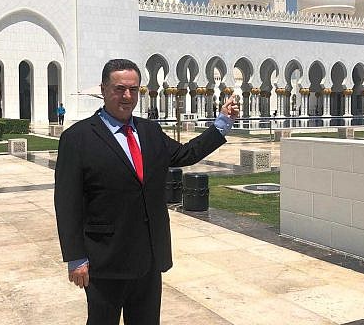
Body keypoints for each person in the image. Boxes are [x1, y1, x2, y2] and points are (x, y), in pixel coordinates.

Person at [54, 59, 239, 325]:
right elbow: (67, 202)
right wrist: (75, 257)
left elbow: (185, 154)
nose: (127, 96)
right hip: (105, 258)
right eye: (119, 89)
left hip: (149, 257)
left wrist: (222, 122)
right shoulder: (78, 138)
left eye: (133, 89)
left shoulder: (149, 131)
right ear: (104, 89)